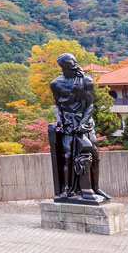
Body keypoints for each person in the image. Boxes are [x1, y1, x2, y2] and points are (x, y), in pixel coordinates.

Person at [50, 53, 108, 201]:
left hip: (85, 122)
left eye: (75, 61)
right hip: (68, 123)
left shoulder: (86, 81)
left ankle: (95, 187)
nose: (74, 63)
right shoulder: (55, 84)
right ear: (63, 65)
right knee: (68, 156)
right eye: (71, 62)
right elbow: (58, 106)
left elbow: (90, 105)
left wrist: (83, 123)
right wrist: (59, 121)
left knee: (94, 154)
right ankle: (67, 189)